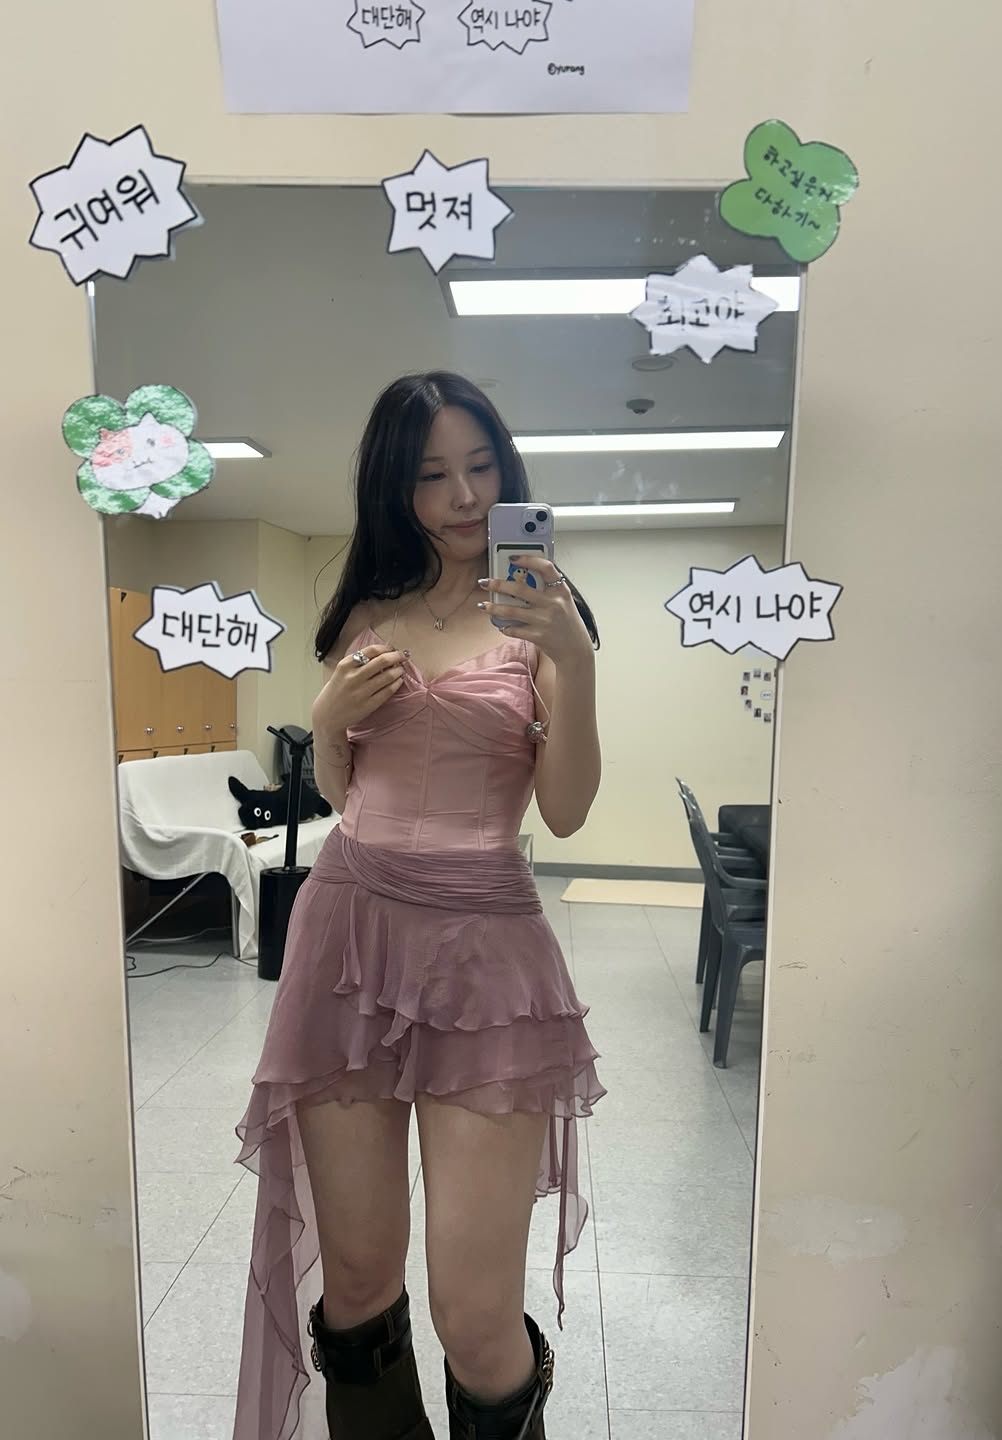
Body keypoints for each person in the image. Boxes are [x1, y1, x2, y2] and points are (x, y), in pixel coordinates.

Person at [232, 372, 605, 1440]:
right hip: (350, 933)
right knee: (355, 1282)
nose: (463, 496)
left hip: (487, 953)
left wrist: (572, 660)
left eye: (481, 467)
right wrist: (325, 720)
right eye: (433, 474)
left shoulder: (543, 620)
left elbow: (566, 811)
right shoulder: (366, 613)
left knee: (475, 1314)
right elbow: (344, 793)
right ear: (395, 487)